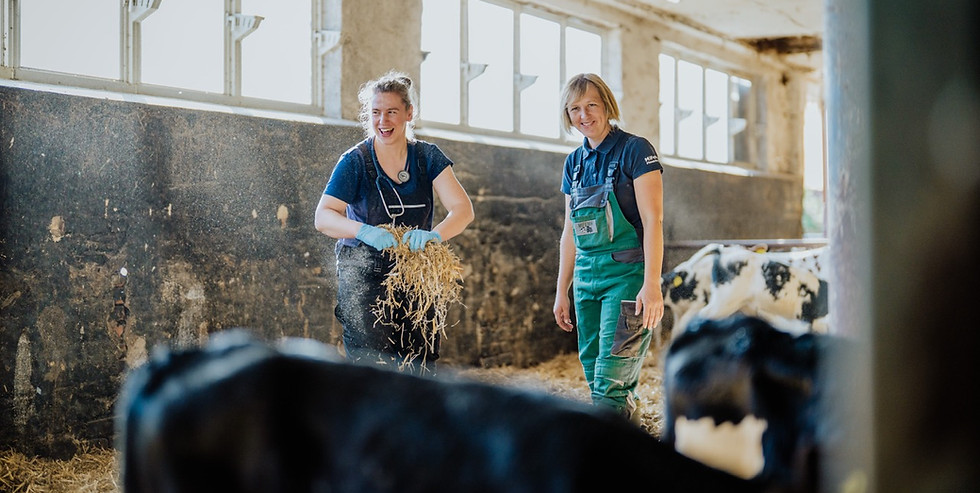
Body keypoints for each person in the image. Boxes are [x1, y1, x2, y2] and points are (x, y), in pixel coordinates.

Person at [315, 71, 474, 376]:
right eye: (376, 113)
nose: (383, 121)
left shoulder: (427, 157)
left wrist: (433, 236)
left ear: (409, 114)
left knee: (420, 363)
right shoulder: (355, 161)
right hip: (363, 272)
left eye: (391, 112)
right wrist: (363, 231)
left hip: (415, 270)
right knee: (372, 366)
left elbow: (462, 210)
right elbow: (324, 216)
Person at [552, 73, 665, 420]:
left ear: (607, 107)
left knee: (609, 377)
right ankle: (627, 432)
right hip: (587, 277)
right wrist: (562, 291)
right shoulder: (574, 163)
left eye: (591, 106)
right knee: (592, 367)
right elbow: (570, 232)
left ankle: (606, 461)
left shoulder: (635, 150)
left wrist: (652, 284)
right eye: (574, 109)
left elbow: (653, 221)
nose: (583, 115)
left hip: (627, 275)